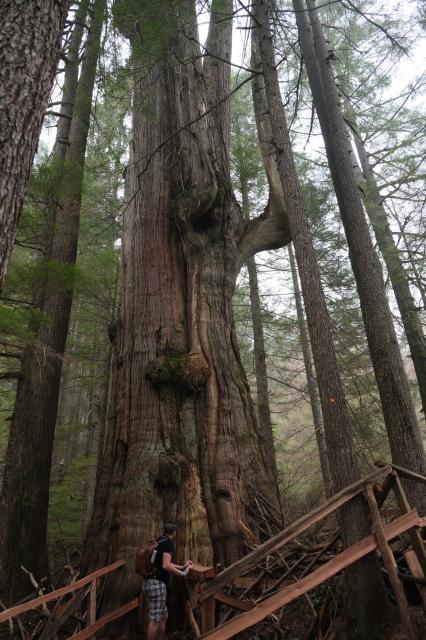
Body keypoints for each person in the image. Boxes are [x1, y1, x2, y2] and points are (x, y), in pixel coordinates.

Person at [142, 523, 193, 640]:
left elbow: (165, 562)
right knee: (155, 619)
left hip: (149, 582)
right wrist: (183, 574)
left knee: (163, 615)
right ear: (174, 532)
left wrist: (181, 566)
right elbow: (165, 565)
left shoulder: (159, 540)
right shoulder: (168, 544)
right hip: (157, 584)